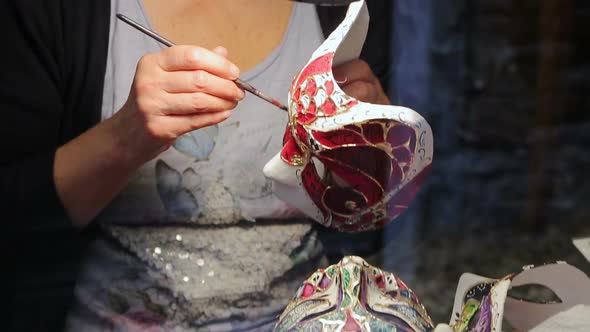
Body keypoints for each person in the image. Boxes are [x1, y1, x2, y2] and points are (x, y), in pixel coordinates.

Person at [1, 0, 391, 330]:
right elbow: (15, 218)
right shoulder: (60, 13)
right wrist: (124, 138)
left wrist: (377, 154)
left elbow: (373, 214)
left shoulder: (340, 12)